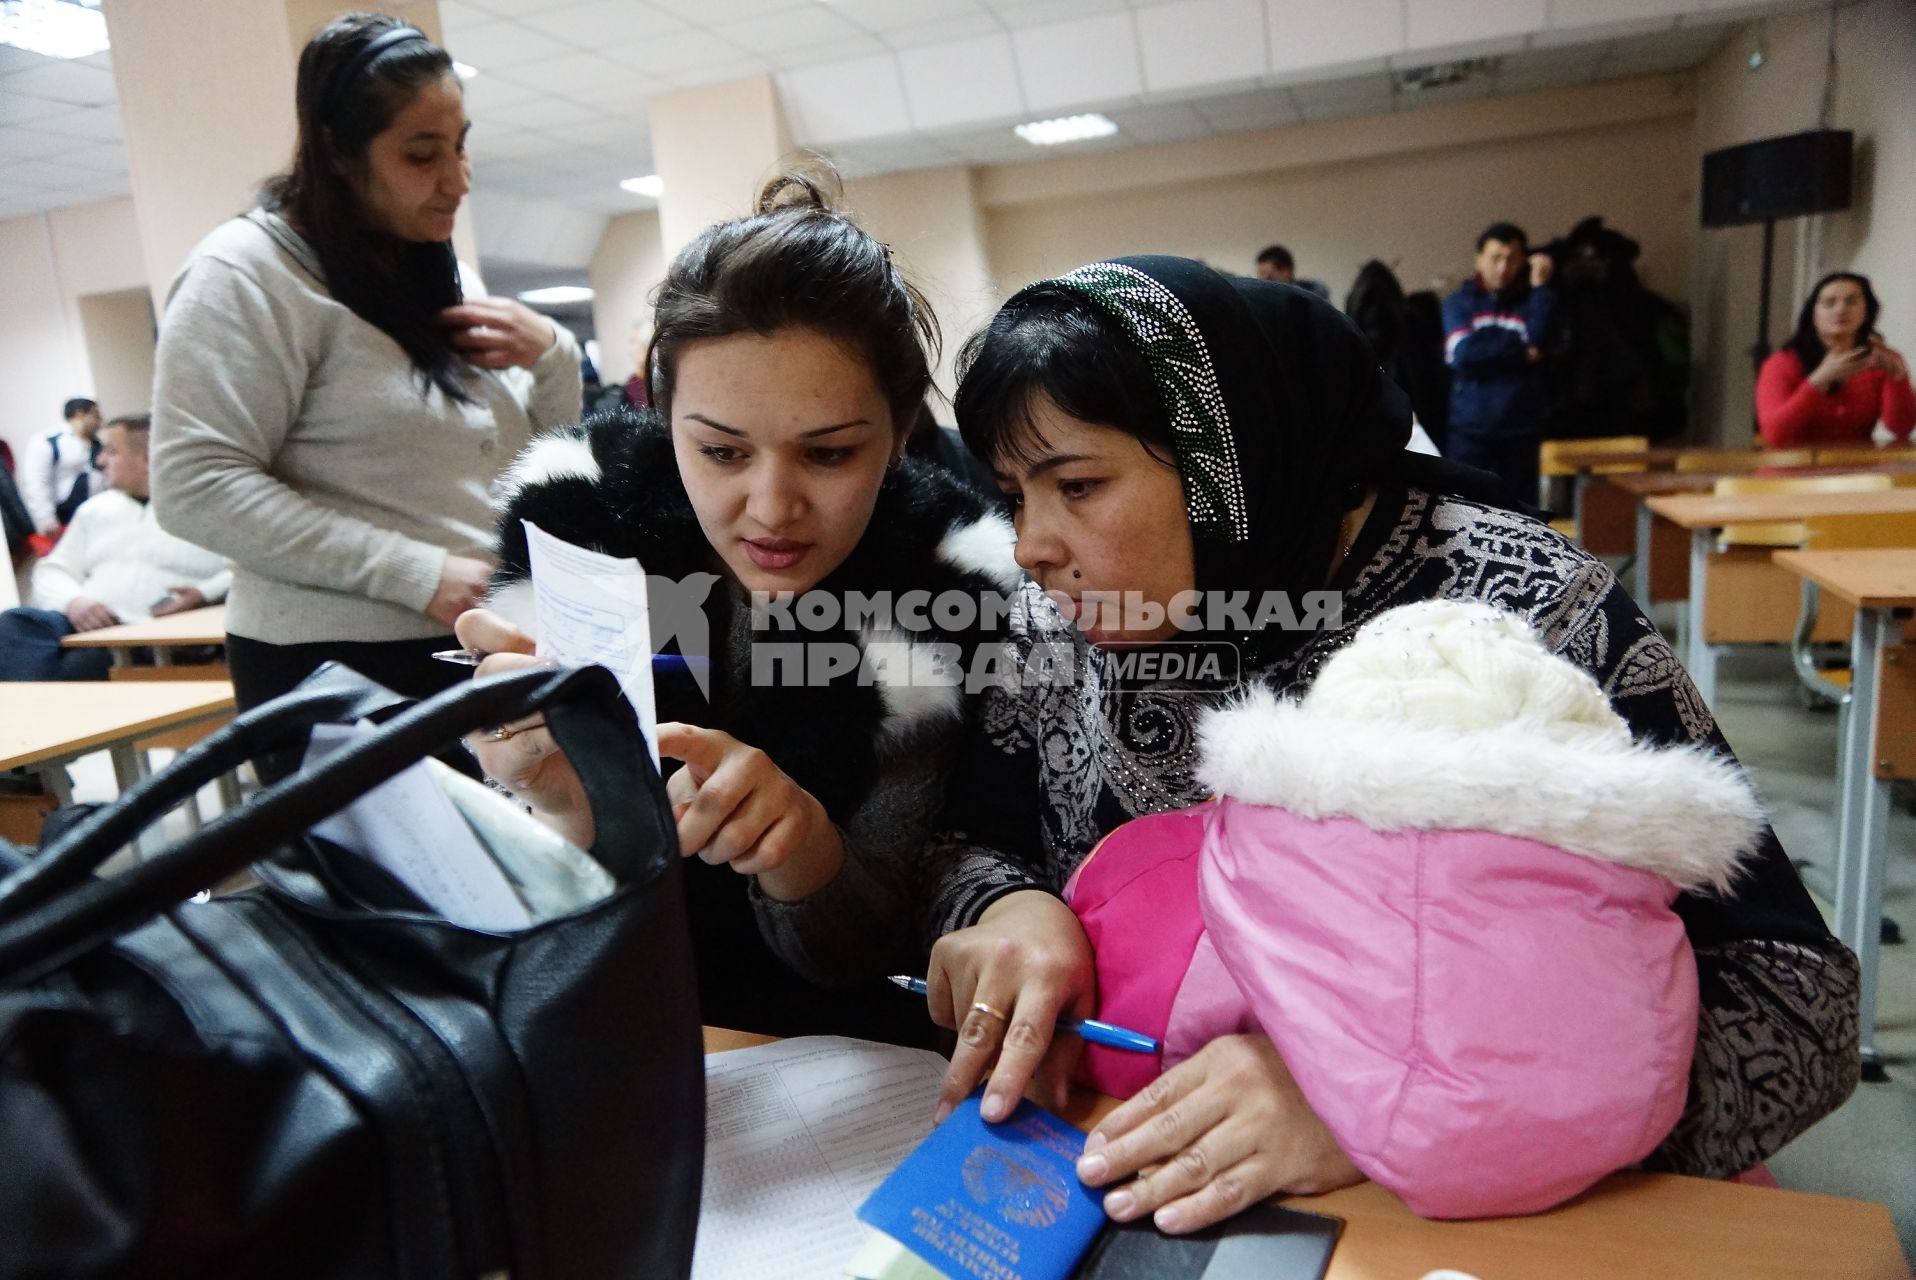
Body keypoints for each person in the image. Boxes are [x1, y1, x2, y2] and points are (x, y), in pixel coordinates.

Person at [918, 256, 1859, 1235]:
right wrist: (1011, 905)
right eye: (1013, 495)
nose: (1029, 544)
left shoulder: (1514, 610)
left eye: (1076, 484)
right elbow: (967, 838)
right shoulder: (1058, 618)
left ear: (1224, 466)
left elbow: (1791, 1005)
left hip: (1472, 1221)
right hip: (1138, 1172)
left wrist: (1383, 1100)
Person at [455, 174, 1019, 1043]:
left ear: (902, 427)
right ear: (661, 411)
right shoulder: (584, 520)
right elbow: (530, 895)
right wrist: (548, 793)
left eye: (828, 455)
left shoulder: (947, 586)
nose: (771, 506)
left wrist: (804, 852)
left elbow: (875, 942)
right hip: (603, 1022)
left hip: (824, 1055)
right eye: (720, 451)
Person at [151, 15, 580, 743]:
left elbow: (536, 462)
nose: (457, 179)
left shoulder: (441, 271)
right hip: (334, 666)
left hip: (476, 645)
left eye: (460, 144)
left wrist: (556, 355)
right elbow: (194, 485)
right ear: (338, 152)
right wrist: (418, 573)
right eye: (422, 154)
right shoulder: (249, 273)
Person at [0, 415, 229, 682]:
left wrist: (204, 593)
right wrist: (75, 602)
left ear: (146, 458)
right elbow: (53, 569)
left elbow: (248, 568)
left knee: (75, 667)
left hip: (151, 631)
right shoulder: (95, 510)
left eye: (111, 451)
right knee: (14, 626)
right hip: (85, 624)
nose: (100, 461)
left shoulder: (209, 507)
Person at [1441, 222, 1557, 501]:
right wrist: (1521, 350)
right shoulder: (1459, 303)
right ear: (1479, 259)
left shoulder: (1535, 301)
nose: (1503, 267)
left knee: (1523, 518)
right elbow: (1463, 354)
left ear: (1523, 261)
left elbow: (1541, 338)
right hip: (1470, 431)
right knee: (1463, 513)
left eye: (1512, 258)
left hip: (1521, 430)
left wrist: (1541, 287)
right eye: (1495, 258)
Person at [1756, 271, 1913, 448]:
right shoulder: (1782, 363)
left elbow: (1901, 428)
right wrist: (1819, 380)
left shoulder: (1880, 359)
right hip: (1792, 471)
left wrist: (1898, 376)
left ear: (1867, 310)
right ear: (1813, 313)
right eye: (1829, 303)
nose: (1840, 309)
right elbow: (1774, 434)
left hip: (1858, 469)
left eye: (1851, 301)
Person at [18, 398, 103, 538]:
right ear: (80, 414)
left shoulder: (97, 442)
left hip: (98, 514)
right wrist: (46, 519)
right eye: (95, 415)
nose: (99, 420)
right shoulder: (48, 441)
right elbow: (37, 482)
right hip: (66, 518)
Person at [1253, 244, 1330, 301]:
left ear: (1286, 271)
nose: (1262, 281)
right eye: (1260, 275)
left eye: (1268, 276)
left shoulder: (1312, 299)